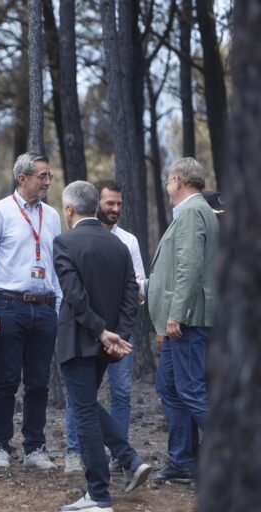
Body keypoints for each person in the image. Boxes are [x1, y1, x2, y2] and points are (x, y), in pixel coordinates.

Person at [54, 181, 152, 512]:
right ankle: (129, 459)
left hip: (80, 341)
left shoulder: (64, 242)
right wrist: (117, 334)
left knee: (82, 410)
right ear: (95, 205)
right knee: (86, 403)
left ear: (69, 209)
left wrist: (101, 333)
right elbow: (131, 295)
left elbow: (75, 296)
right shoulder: (118, 245)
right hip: (105, 345)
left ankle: (97, 495)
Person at [0, 152, 62, 471]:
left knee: (39, 381)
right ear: (22, 178)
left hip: (44, 307)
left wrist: (60, 307)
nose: (48, 182)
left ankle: (35, 447)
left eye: (49, 176)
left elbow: (55, 264)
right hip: (9, 304)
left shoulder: (51, 216)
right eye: (42, 176)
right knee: (8, 378)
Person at [148, 157, 218, 484]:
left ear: (177, 181)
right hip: (184, 319)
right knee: (169, 387)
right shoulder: (195, 211)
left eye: (168, 181)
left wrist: (176, 314)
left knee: (190, 389)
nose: (167, 187)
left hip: (188, 319)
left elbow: (189, 267)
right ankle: (181, 461)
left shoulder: (191, 212)